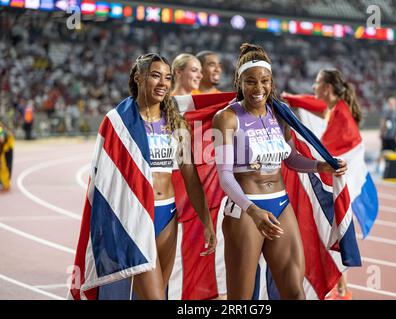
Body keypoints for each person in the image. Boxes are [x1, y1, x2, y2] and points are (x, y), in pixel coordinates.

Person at [212, 44, 347, 300]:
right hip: (245, 211)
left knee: (295, 293)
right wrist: (253, 211)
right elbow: (225, 176)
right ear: (239, 82)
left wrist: (321, 166)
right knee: (240, 300)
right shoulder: (227, 118)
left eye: (264, 81)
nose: (259, 88)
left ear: (271, 82)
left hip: (281, 206)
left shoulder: (280, 113)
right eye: (251, 82)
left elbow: (292, 158)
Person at [82, 53, 216, 300]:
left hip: (168, 217)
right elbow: (104, 180)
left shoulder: (176, 123)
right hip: (136, 216)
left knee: (156, 295)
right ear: (138, 78)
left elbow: (190, 176)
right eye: (155, 76)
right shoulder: (118, 122)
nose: (163, 83)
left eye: (167, 77)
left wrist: (206, 221)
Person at [311, 68, 364, 300]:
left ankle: (341, 290)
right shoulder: (336, 110)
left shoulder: (341, 115)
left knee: (330, 233)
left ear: (327, 88)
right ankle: (340, 289)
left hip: (341, 185)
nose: (313, 87)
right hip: (340, 183)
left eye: (317, 83)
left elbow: (326, 152)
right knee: (328, 234)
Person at [376, 95, 396, 174]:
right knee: (383, 152)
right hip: (386, 136)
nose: (391, 104)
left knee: (395, 153)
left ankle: (395, 168)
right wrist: (381, 132)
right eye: (389, 102)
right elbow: (382, 122)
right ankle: (378, 167)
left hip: (394, 136)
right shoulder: (385, 112)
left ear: (395, 103)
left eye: (392, 102)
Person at [0, 120, 14, 192]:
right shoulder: (5, 130)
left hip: (5, 151)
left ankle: (6, 185)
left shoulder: (1, 130)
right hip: (7, 150)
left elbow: (1, 140)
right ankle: (5, 184)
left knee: (4, 168)